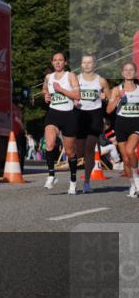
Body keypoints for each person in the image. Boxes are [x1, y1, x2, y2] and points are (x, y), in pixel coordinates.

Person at [42, 52, 80, 193]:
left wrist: (61, 90)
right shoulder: (48, 77)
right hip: (53, 114)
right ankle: (51, 175)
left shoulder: (70, 76)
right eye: (55, 60)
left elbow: (77, 95)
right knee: (50, 144)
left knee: (70, 152)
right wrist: (45, 95)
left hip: (68, 115)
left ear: (65, 62)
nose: (58, 63)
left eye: (60, 60)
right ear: (52, 62)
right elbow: (45, 88)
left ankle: (73, 181)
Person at [76, 53, 111, 193]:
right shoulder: (76, 79)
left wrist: (105, 97)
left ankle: (86, 182)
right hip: (79, 116)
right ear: (81, 64)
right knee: (79, 152)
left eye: (90, 62)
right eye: (84, 62)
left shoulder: (101, 81)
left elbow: (110, 97)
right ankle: (74, 177)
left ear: (95, 64)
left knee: (89, 149)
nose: (87, 65)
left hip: (95, 116)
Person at [106, 61, 139, 198]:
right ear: (122, 73)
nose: (129, 72)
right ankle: (132, 184)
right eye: (126, 70)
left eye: (131, 69)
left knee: (130, 151)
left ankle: (137, 181)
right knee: (125, 158)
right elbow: (108, 110)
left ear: (135, 72)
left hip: (136, 123)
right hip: (121, 124)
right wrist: (117, 98)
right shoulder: (116, 89)